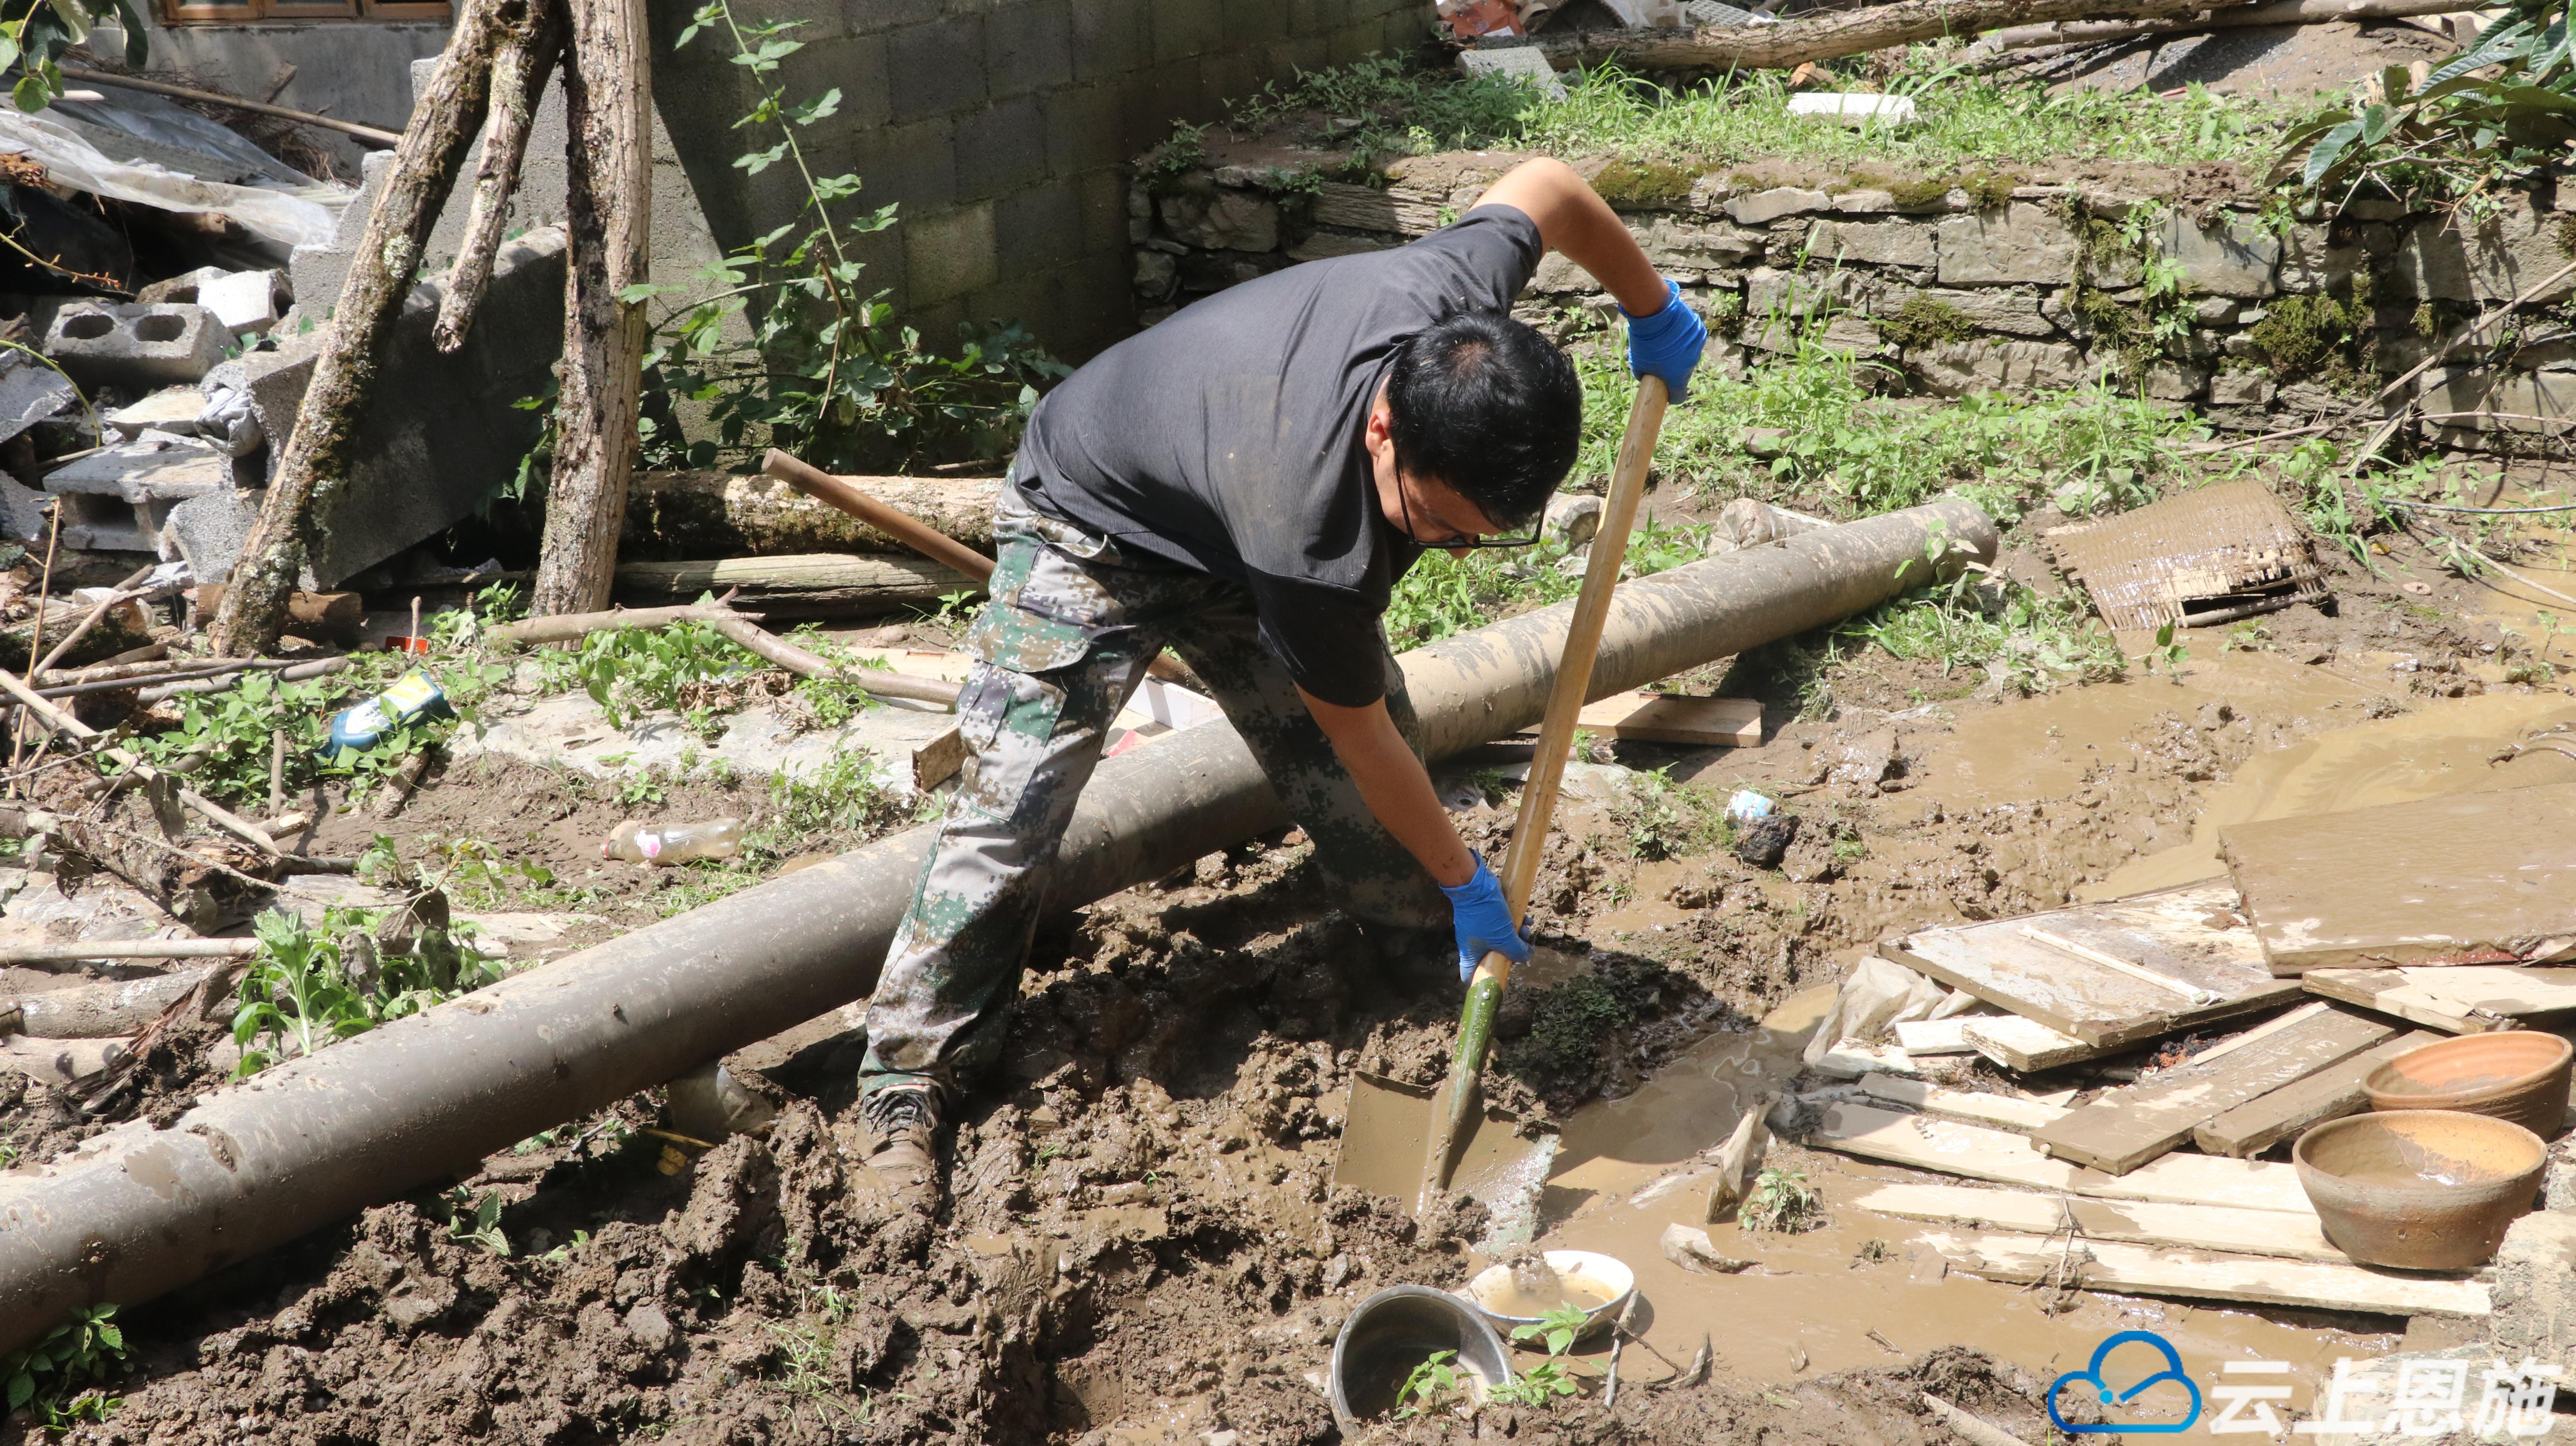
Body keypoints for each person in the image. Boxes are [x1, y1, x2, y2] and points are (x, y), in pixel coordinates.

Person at [851, 155, 1707, 1212]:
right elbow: (1363, 743)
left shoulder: (1454, 313)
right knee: (1016, 804)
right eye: (1435, 521)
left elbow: (1547, 186)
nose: (1447, 547)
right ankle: (906, 1080)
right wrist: (1466, 876)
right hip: (1094, 522)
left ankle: (1412, 946)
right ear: (1385, 425)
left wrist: (1654, 305)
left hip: (1222, 491)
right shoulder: (1314, 542)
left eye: (1478, 534)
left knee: (1372, 778)